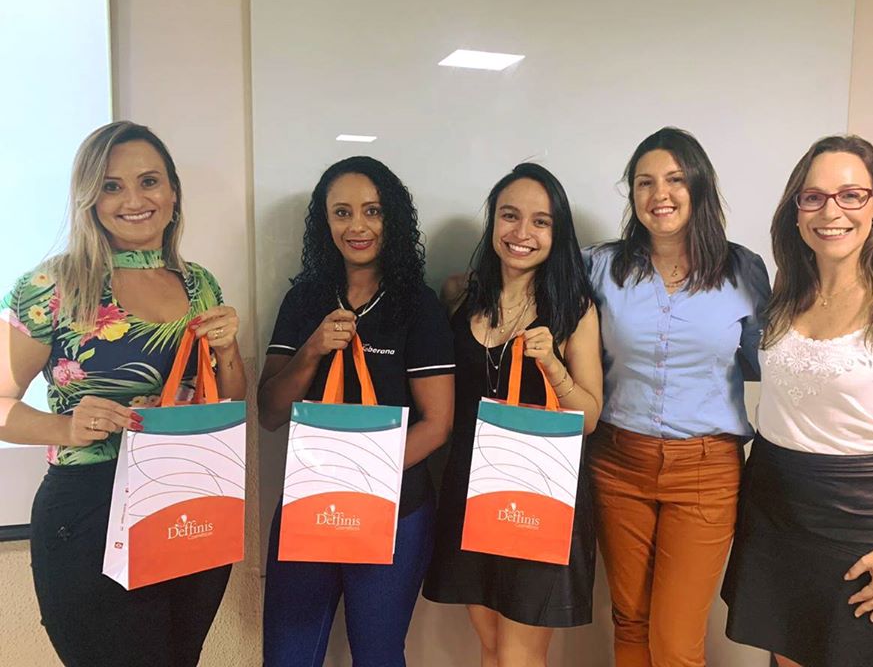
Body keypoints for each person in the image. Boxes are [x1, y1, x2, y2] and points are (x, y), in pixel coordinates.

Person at [0, 121, 246, 666]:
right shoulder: (52, 286)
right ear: (89, 198)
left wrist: (229, 350)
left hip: (190, 498)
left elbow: (230, 405)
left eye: (149, 181)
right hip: (90, 507)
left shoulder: (200, 284)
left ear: (173, 192)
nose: (134, 200)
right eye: (111, 186)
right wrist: (65, 427)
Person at [722, 135, 873, 667]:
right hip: (774, 503)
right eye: (814, 197)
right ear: (796, 211)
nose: (831, 212)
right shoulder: (789, 287)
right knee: (789, 655)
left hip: (862, 516)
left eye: (851, 195)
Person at [583, 127, 771, 667]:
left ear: (699, 186)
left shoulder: (743, 270)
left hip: (705, 471)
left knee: (675, 640)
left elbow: (766, 360)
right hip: (618, 461)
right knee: (630, 621)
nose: (658, 194)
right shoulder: (600, 266)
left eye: (674, 179)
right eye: (644, 182)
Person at [258, 156, 455, 667]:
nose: (358, 226)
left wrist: (359, 479)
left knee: (377, 655)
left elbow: (438, 424)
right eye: (342, 212)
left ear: (393, 218)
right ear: (324, 222)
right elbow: (270, 411)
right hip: (308, 505)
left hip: (395, 509)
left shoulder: (418, 306)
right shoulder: (303, 300)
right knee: (287, 656)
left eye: (373, 211)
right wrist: (312, 349)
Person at [423, 163, 603, 667]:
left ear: (557, 233)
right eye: (510, 216)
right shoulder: (460, 294)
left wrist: (553, 366)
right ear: (493, 221)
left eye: (540, 222)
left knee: (520, 655)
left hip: (539, 497)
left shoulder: (573, 308)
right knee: (490, 645)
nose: (522, 233)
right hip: (471, 490)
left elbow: (589, 417)